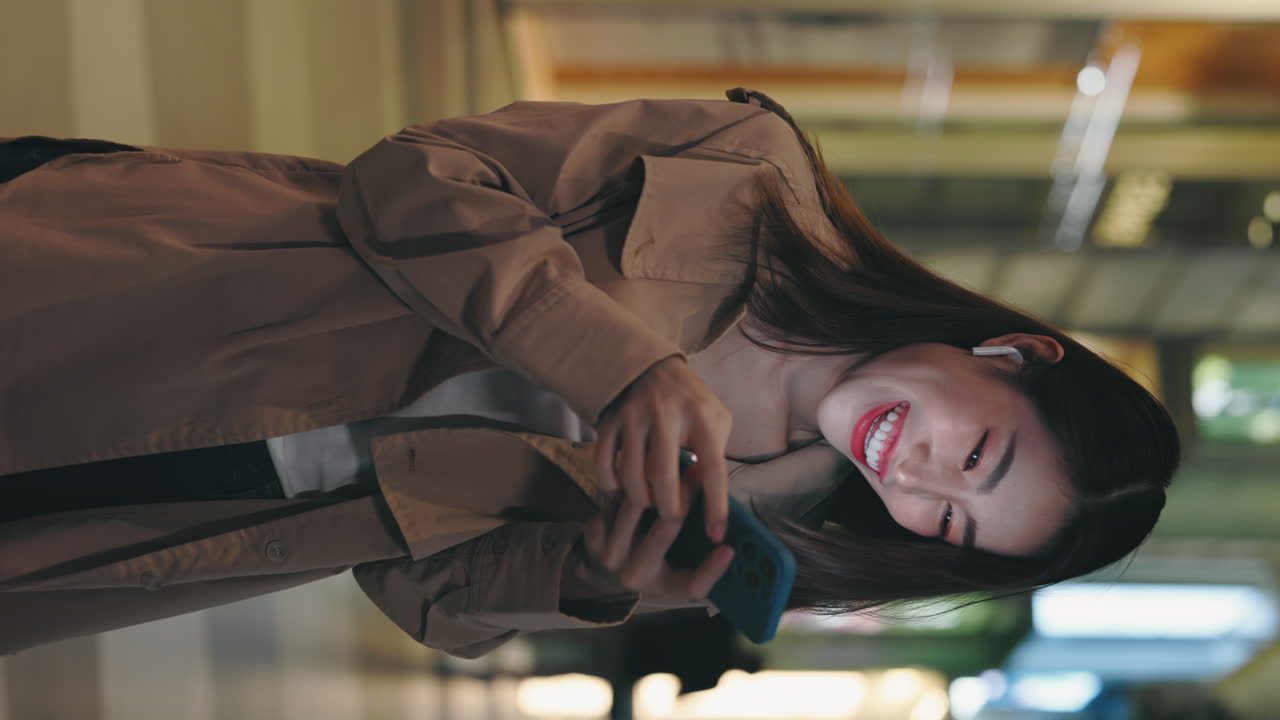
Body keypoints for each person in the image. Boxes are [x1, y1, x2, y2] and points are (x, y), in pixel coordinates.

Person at [0, 88, 1179, 656]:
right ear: (1014, 353)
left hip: (180, 509)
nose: (917, 483)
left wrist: (592, 574)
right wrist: (620, 368)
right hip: (150, 300)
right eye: (977, 455)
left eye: (947, 520)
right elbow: (412, 178)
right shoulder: (750, 175)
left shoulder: (753, 502)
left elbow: (421, 593)